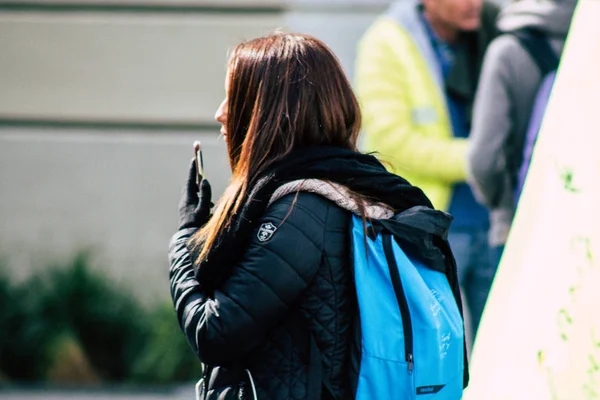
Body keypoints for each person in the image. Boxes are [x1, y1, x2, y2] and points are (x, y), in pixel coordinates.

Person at [168, 32, 464, 399]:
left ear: (266, 112)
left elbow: (214, 333)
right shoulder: (347, 190)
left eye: (235, 96)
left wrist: (183, 241)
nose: (221, 111)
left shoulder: (299, 213)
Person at [355, 0, 499, 339]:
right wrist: (479, 159)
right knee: (434, 346)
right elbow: (393, 142)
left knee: (503, 345)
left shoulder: (494, 29)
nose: (474, 3)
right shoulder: (386, 42)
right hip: (427, 226)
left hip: (495, 221)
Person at [468, 0, 577, 263]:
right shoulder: (588, 43)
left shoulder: (508, 51)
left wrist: (502, 206)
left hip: (521, 228)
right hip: (584, 225)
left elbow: (483, 162)